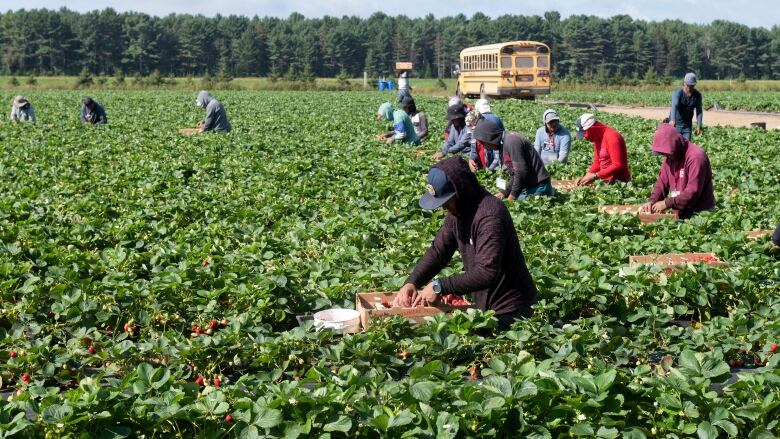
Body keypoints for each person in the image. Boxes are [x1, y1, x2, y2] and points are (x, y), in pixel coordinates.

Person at [392, 157, 539, 330]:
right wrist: (412, 282)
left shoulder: (489, 215)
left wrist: (440, 286)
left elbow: (486, 272)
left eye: (446, 202)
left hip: (512, 311)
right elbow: (439, 251)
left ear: (460, 191)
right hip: (485, 308)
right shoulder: (458, 211)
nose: (443, 208)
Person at [640, 123, 715, 219]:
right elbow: (661, 183)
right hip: (680, 210)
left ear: (675, 145)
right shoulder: (669, 157)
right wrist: (652, 201)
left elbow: (693, 192)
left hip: (700, 213)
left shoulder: (696, 157)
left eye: (667, 153)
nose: (666, 156)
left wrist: (666, 203)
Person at [472, 119, 552, 201]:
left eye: (483, 143)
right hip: (529, 186)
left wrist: (512, 197)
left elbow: (521, 172)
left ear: (489, 137)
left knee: (508, 207)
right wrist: (504, 192)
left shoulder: (512, 141)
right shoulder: (504, 143)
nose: (484, 147)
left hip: (539, 187)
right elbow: (515, 175)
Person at [574, 114, 630, 186]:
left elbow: (617, 165)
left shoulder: (612, 137)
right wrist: (586, 177)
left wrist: (595, 176)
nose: (585, 138)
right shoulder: (597, 138)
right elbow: (597, 162)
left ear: (592, 128)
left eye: (585, 134)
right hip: (606, 181)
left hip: (619, 183)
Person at [670, 73, 703, 140]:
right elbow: (674, 106)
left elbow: (699, 111)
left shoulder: (697, 95)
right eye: (688, 85)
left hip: (687, 126)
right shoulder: (678, 93)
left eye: (692, 86)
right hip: (676, 124)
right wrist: (672, 120)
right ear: (684, 84)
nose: (690, 88)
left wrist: (699, 126)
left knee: (686, 145)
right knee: (675, 145)